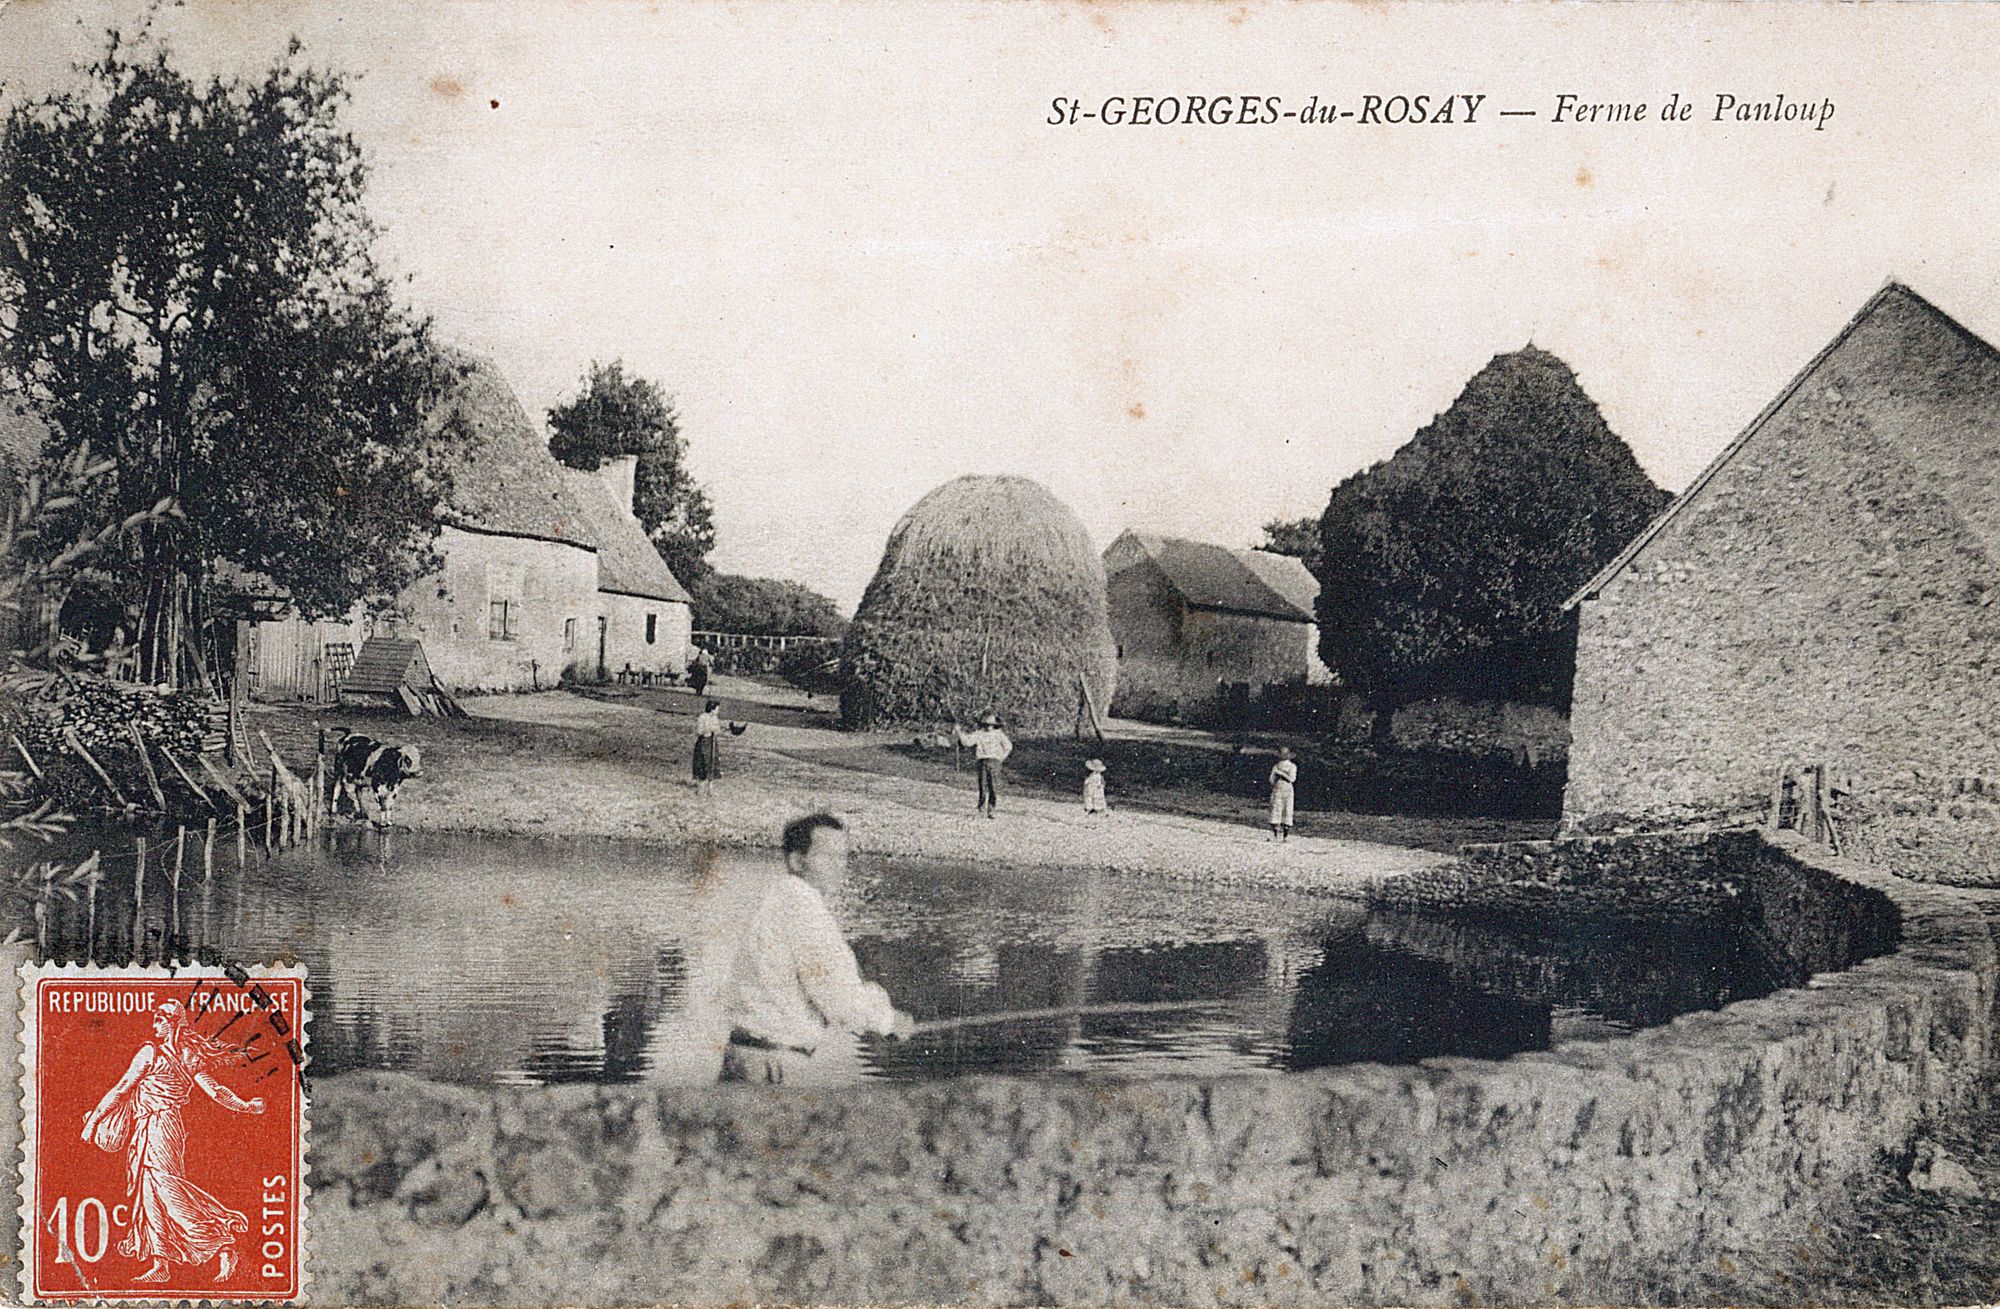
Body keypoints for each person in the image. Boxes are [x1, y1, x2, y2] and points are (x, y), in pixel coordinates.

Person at [719, 813, 917, 1083]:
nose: (839, 867)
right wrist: (889, 1021)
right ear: (797, 861)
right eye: (827, 857)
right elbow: (839, 995)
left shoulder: (775, 898)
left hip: (744, 1055)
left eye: (842, 857)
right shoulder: (804, 910)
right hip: (774, 1064)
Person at [80, 1000, 263, 1284]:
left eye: (158, 1020)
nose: (154, 1027)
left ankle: (223, 1242)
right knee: (149, 1194)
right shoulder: (182, 1054)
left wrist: (93, 1123)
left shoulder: (154, 1053)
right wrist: (246, 1106)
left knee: (167, 1190)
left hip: (161, 1127)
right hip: (149, 1127)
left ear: (172, 1022)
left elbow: (122, 1089)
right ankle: (161, 1262)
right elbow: (215, 1092)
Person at [956, 713, 1013, 819]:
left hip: (994, 761)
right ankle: (981, 809)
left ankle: (991, 809)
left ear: (995, 725)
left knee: (993, 786)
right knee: (982, 786)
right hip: (982, 760)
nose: (989, 727)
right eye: (986, 724)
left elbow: (1008, 746)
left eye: (991, 724)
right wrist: (959, 732)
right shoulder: (979, 734)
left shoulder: (999, 734)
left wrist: (1001, 758)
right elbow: (967, 742)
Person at [692, 699, 724, 796]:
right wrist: (708, 729)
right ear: (712, 709)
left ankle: (711, 789)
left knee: (712, 762)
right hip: (703, 742)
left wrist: (716, 730)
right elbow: (699, 731)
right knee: (703, 762)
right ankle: (700, 788)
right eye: (717, 709)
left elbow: (718, 730)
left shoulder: (715, 718)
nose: (718, 711)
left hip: (712, 742)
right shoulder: (703, 717)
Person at [1268, 746, 1298, 842]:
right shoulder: (1276, 766)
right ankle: (1275, 834)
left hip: (1288, 790)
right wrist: (1275, 776)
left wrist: (1282, 774)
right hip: (1278, 789)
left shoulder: (1292, 766)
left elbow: (1292, 779)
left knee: (1287, 810)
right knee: (1276, 809)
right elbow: (1271, 780)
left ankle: (1285, 836)